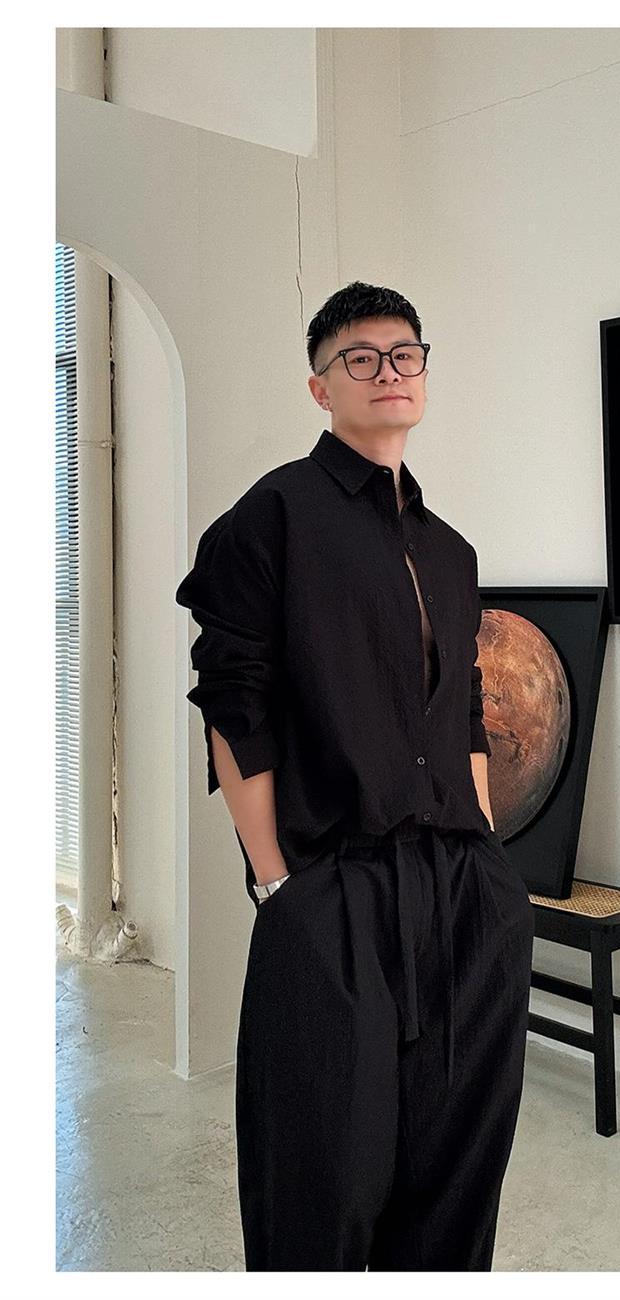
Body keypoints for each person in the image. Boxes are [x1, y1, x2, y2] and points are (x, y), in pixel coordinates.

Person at [175, 281, 535, 1271]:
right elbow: (234, 705)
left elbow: (463, 711)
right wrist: (277, 884)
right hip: (334, 886)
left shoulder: (450, 551)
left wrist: (489, 856)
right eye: (360, 358)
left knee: (457, 1179)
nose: (387, 371)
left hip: (463, 890)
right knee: (320, 1180)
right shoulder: (272, 517)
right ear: (320, 386)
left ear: (424, 372)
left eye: (403, 354)